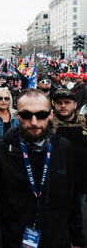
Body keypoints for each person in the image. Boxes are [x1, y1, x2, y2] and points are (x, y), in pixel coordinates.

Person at [0, 88, 86, 248]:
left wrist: (77, 240)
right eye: (27, 115)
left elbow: (72, 199)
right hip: (14, 240)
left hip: (56, 240)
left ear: (50, 115)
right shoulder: (0, 150)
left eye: (41, 115)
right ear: (17, 115)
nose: (34, 122)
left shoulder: (64, 148)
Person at [51, 88, 87, 238]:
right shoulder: (48, 126)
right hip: (57, 183)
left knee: (83, 222)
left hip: (83, 182)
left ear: (75, 104)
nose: (63, 106)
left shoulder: (85, 124)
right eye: (59, 103)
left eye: (67, 102)